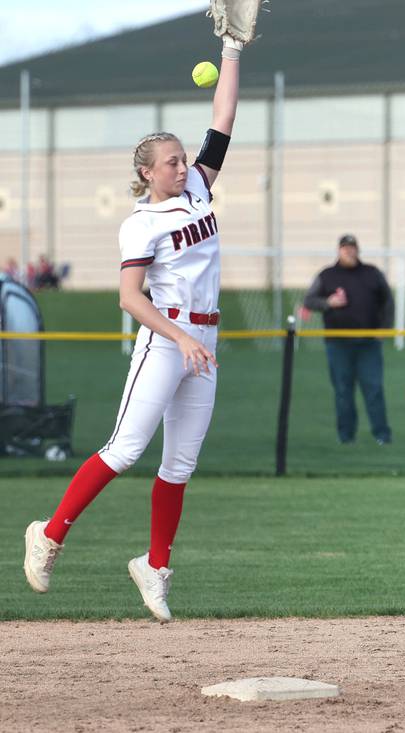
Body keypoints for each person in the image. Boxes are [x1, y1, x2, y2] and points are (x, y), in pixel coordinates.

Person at [22, 29, 245, 623]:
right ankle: (48, 533)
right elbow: (129, 298)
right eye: (170, 161)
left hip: (205, 340)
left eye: (181, 158)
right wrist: (181, 339)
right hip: (169, 338)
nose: (182, 166)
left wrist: (232, 50)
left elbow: (223, 117)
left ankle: (154, 565)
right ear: (148, 173)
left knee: (180, 467)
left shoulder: (197, 188)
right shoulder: (140, 224)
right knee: (124, 450)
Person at [303, 234, 394, 445]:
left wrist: (384, 329)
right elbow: (309, 300)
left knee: (374, 389)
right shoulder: (327, 275)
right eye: (345, 248)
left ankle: (382, 435)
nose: (349, 251)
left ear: (357, 249)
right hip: (338, 344)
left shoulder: (372, 273)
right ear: (339, 250)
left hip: (368, 343)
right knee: (343, 391)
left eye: (352, 247)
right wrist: (329, 302)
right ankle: (346, 436)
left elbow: (387, 301)